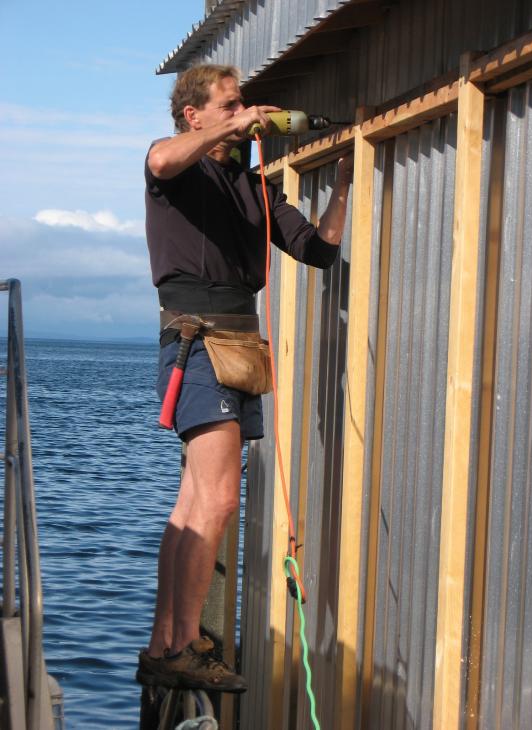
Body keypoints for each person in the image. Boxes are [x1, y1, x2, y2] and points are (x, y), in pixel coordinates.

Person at [137, 64, 353, 693]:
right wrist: (230, 128)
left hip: (238, 344)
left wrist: (343, 183)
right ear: (194, 115)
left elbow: (318, 250)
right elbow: (161, 160)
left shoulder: (252, 183)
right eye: (228, 105)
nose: (242, 114)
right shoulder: (174, 166)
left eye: (243, 105)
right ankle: (183, 646)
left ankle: (166, 643)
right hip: (197, 341)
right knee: (218, 500)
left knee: (194, 502)